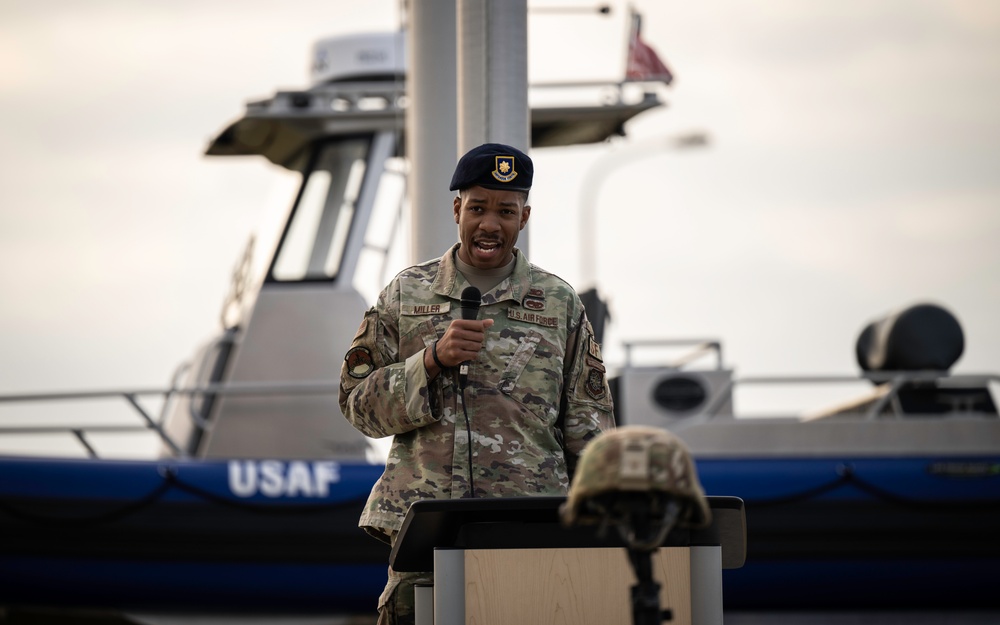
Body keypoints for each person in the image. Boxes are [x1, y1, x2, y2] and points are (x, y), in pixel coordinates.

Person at [339, 142, 615, 625]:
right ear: (457, 210)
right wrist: (429, 361)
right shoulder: (407, 294)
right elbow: (356, 404)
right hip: (425, 532)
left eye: (506, 211)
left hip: (529, 531)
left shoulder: (559, 304)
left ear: (523, 218)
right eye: (478, 208)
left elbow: (590, 431)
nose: (491, 223)